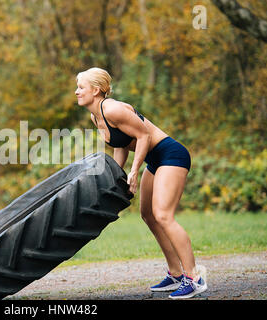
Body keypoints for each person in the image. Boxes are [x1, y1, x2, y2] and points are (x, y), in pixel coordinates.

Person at [75, 67, 207, 299]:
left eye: (81, 87)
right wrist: (117, 175)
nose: (76, 91)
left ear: (96, 90)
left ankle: (194, 278)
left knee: (163, 215)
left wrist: (134, 172)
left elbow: (144, 135)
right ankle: (176, 274)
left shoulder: (113, 109)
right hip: (155, 160)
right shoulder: (96, 115)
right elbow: (121, 143)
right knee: (147, 214)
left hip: (171, 155)